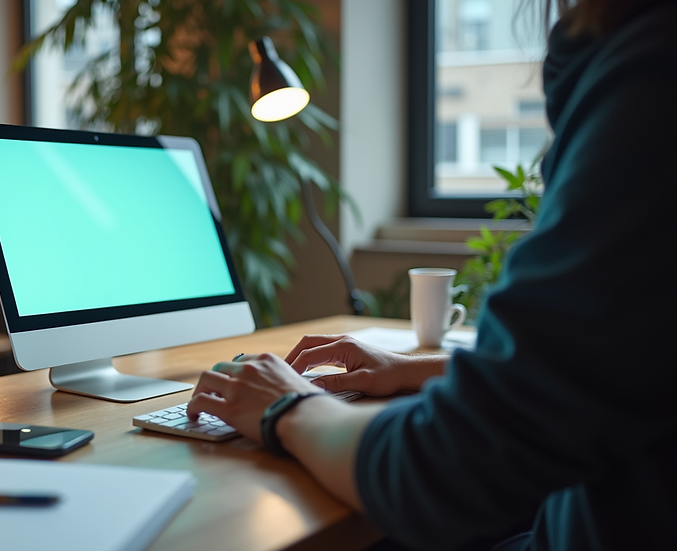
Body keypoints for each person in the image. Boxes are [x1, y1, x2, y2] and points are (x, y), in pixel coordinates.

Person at [186, 0, 676, 549]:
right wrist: (411, 369)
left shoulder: (652, 83)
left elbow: (451, 467)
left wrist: (288, 407)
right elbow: (603, 367)